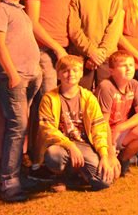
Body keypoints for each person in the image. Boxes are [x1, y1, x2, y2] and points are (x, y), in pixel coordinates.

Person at [0, 0, 42, 202]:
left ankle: (18, 174)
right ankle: (8, 181)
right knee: (17, 125)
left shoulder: (20, 11)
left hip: (30, 75)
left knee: (23, 125)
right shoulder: (0, 10)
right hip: (15, 76)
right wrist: (11, 73)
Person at [38, 55, 119, 191]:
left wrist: (104, 155)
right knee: (54, 156)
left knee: (103, 182)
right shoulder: (49, 98)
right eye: (66, 71)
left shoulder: (88, 98)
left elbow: (99, 128)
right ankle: (61, 176)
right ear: (58, 74)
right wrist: (70, 146)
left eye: (75, 70)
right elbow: (47, 129)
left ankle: (77, 175)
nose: (71, 74)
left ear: (81, 73)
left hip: (84, 144)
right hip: (61, 145)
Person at [68, 0, 124, 90]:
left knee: (105, 95)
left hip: (106, 56)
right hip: (83, 56)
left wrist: (101, 52)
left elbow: (114, 27)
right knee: (81, 95)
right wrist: (91, 51)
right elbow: (74, 28)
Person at [95, 51, 138, 175]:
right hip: (103, 134)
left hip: (119, 132)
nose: (129, 69)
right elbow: (102, 123)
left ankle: (123, 160)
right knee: (110, 176)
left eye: (131, 65)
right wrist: (110, 153)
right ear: (111, 70)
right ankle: (110, 158)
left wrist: (120, 127)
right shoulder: (106, 86)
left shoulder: (134, 84)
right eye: (123, 65)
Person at [25, 0, 71, 96]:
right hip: (44, 47)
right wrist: (56, 48)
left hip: (64, 46)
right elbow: (32, 21)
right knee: (48, 94)